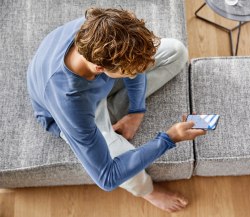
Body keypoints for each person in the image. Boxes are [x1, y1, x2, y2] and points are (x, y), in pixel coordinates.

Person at [27, 7, 206, 213]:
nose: (137, 73)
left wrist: (136, 111)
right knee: (122, 159)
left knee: (177, 51)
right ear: (100, 68)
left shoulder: (99, 30)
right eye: (130, 72)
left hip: (98, 86)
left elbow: (135, 65)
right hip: (73, 113)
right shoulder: (70, 103)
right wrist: (169, 138)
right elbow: (107, 177)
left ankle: (119, 105)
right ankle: (148, 191)